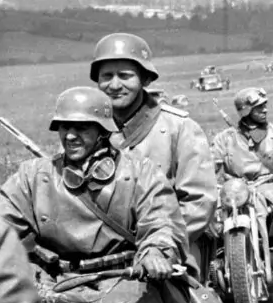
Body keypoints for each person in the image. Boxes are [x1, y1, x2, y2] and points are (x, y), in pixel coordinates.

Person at [0, 87, 187, 303]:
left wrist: (155, 251)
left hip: (122, 277)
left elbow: (162, 219)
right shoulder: (33, 176)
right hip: (53, 280)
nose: (70, 136)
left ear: (102, 131)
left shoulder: (139, 172)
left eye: (81, 127)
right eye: (64, 127)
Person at [89, 33, 217, 283]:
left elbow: (199, 202)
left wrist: (159, 246)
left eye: (125, 76)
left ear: (145, 78)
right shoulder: (88, 130)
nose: (114, 85)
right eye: (107, 76)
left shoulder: (179, 128)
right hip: (103, 255)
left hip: (169, 253)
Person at [210, 87, 273, 280]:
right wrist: (207, 177)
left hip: (269, 187)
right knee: (212, 221)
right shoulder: (225, 138)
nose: (265, 110)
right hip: (236, 190)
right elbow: (212, 163)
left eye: (265, 105)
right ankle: (219, 263)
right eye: (258, 107)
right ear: (245, 111)